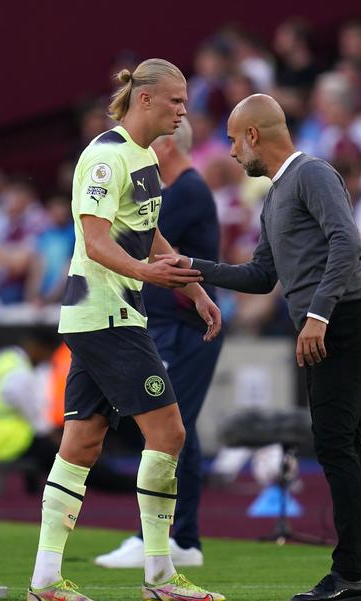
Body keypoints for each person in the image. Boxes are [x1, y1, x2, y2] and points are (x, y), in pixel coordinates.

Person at [162, 94, 361, 601]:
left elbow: (346, 242)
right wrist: (190, 265)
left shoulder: (312, 174)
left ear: (254, 136)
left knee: (335, 446)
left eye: (236, 141)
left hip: (342, 323)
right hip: (326, 325)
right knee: (340, 448)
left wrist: (319, 315)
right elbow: (262, 277)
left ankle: (351, 575)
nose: (233, 153)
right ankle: (359, 577)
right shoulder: (276, 194)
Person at [26, 58, 225, 601]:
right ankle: (161, 572)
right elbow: (94, 241)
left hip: (108, 316)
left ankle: (46, 579)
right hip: (107, 315)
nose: (184, 111)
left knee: (82, 443)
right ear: (145, 100)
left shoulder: (142, 157)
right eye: (176, 101)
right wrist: (148, 275)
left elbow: (148, 230)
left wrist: (193, 288)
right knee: (170, 433)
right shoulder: (105, 156)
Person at [94, 117, 222, 569]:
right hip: (176, 326)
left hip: (184, 330)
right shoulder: (187, 190)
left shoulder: (185, 192)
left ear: (164, 147)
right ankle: (182, 536)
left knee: (166, 428)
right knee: (179, 428)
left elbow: (137, 236)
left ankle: (162, 536)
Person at [0, 330, 59, 473]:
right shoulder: (20, 372)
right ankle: (109, 482)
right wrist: (52, 435)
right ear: (37, 347)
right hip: (14, 442)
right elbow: (33, 415)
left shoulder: (3, 361)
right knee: (65, 459)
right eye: (47, 354)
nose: (46, 360)